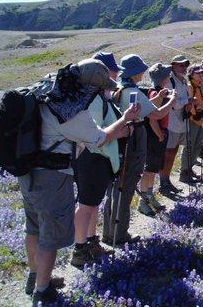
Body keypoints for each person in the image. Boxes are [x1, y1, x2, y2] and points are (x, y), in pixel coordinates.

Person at [20, 59, 141, 306]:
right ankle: (43, 290)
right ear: (89, 86)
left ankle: (34, 278)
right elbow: (98, 138)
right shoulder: (70, 108)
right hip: (51, 175)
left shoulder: (47, 89)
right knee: (49, 234)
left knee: (33, 226)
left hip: (27, 169)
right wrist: (125, 119)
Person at [102, 54, 176, 245]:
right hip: (134, 139)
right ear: (135, 72)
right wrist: (171, 101)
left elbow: (148, 106)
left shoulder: (118, 88)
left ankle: (109, 232)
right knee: (126, 185)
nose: (143, 72)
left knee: (115, 187)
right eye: (141, 70)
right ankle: (120, 234)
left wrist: (159, 98)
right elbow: (156, 113)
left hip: (121, 139)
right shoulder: (133, 91)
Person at [71, 52, 124, 268]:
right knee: (85, 206)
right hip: (91, 160)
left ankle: (91, 242)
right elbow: (95, 137)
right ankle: (80, 248)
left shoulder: (99, 98)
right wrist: (121, 130)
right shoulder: (94, 100)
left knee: (92, 204)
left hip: (97, 161)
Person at [138, 63, 181, 217]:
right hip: (154, 136)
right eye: (167, 75)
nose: (169, 77)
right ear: (163, 78)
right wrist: (160, 135)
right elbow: (153, 118)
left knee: (153, 169)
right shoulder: (153, 93)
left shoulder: (159, 91)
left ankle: (149, 197)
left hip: (158, 135)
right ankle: (144, 202)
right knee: (148, 169)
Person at [159, 55, 199, 190]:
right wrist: (187, 101)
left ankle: (167, 180)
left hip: (180, 123)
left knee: (173, 152)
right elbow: (174, 104)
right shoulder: (170, 81)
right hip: (171, 123)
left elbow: (182, 101)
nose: (184, 68)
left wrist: (188, 102)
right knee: (168, 153)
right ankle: (163, 181)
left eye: (185, 65)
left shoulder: (182, 81)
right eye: (181, 65)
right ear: (173, 66)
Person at [181, 64, 203, 180]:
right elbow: (191, 104)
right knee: (190, 146)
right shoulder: (190, 87)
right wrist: (199, 108)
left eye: (201, 73)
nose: (201, 75)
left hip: (199, 120)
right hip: (192, 120)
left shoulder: (199, 86)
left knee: (196, 147)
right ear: (191, 75)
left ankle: (189, 169)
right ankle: (184, 172)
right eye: (198, 73)